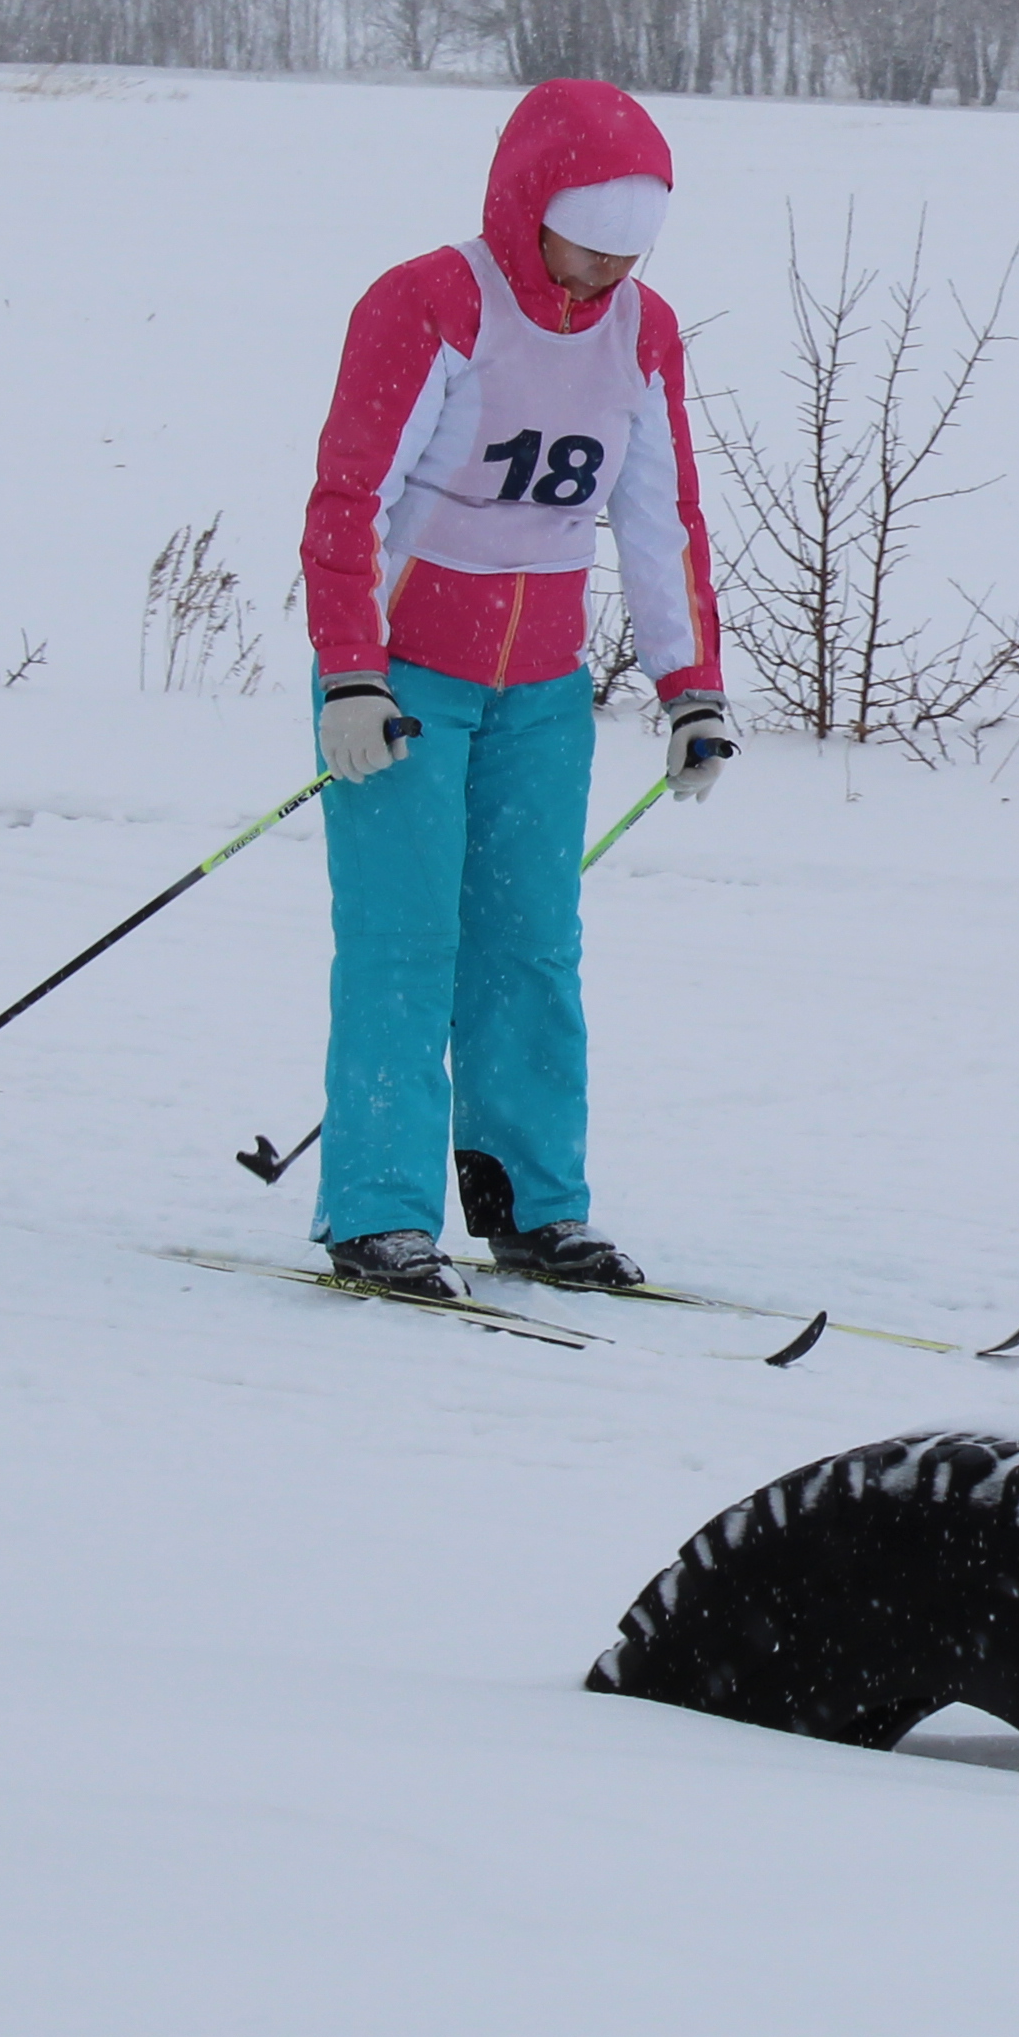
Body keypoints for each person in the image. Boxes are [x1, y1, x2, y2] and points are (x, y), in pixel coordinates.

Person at [295, 79, 731, 1298]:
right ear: (527, 204)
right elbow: (349, 502)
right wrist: (349, 673)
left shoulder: (643, 330)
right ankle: (377, 1212)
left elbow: (661, 520)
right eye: (583, 247)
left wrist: (691, 686)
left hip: (540, 688)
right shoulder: (430, 304)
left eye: (625, 256)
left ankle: (533, 1207)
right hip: (405, 680)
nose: (598, 280)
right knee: (405, 941)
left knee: (531, 948)